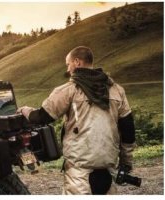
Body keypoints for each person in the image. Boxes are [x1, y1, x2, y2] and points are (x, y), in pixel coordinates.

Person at [17, 46, 136, 195]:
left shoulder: (69, 89)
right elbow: (128, 129)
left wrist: (25, 110)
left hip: (79, 171)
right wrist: (126, 163)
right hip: (108, 167)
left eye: (68, 64)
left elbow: (42, 117)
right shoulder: (117, 90)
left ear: (77, 62)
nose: (68, 69)